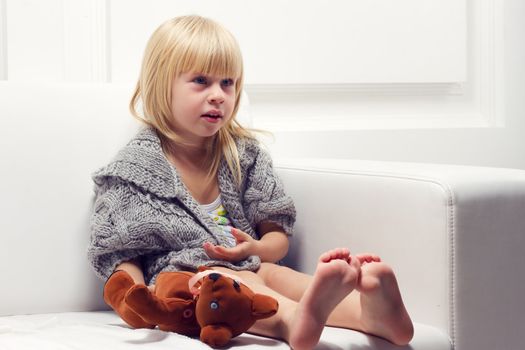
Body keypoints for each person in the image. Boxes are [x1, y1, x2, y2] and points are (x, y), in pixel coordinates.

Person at [88, 15, 414, 350]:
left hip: (252, 264)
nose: (218, 95)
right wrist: (135, 297)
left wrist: (256, 248)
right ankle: (292, 320)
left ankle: (370, 314)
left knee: (277, 274)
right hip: (189, 284)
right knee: (235, 281)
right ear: (161, 84)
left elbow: (277, 237)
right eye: (201, 81)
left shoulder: (243, 156)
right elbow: (120, 254)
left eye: (227, 83)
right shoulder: (133, 172)